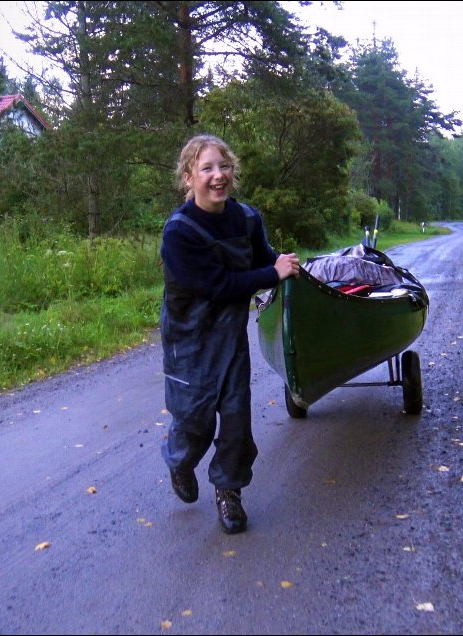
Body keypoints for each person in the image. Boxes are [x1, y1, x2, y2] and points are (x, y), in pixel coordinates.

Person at [159, 134, 300, 534]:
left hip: (230, 338)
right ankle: (180, 460)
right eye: (207, 169)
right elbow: (218, 285)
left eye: (224, 167)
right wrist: (271, 273)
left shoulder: (247, 219)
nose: (218, 176)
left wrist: (284, 266)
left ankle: (228, 491)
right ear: (188, 177)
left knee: (236, 419)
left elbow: (263, 259)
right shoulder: (179, 232)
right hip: (188, 341)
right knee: (194, 422)